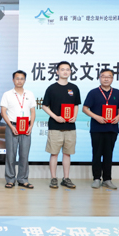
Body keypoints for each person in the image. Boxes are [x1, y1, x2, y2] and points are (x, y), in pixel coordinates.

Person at [82, 68, 119, 189]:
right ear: (99, 78)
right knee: (96, 154)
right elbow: (85, 108)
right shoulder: (93, 92)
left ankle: (107, 179)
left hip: (112, 128)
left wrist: (118, 116)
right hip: (97, 128)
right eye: (103, 76)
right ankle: (96, 178)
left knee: (108, 154)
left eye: (109, 76)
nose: (106, 79)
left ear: (112, 78)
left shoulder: (117, 93)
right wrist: (96, 117)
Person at [41, 61, 81, 189]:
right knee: (54, 154)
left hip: (70, 127)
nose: (65, 71)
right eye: (62, 69)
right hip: (55, 126)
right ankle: (53, 178)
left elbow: (76, 105)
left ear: (70, 72)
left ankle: (66, 178)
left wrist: (75, 116)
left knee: (67, 154)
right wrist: (56, 117)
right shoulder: (51, 88)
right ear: (57, 72)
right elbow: (44, 106)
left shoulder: (74, 88)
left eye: (67, 69)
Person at [0, 70, 35, 189]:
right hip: (12, 126)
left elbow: (33, 111)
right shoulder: (7, 94)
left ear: (25, 80)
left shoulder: (30, 94)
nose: (19, 81)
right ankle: (10, 179)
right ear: (13, 80)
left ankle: (23, 179)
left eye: (22, 78)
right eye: (17, 78)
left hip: (26, 127)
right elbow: (3, 112)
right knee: (11, 155)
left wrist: (31, 126)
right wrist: (11, 126)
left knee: (24, 155)